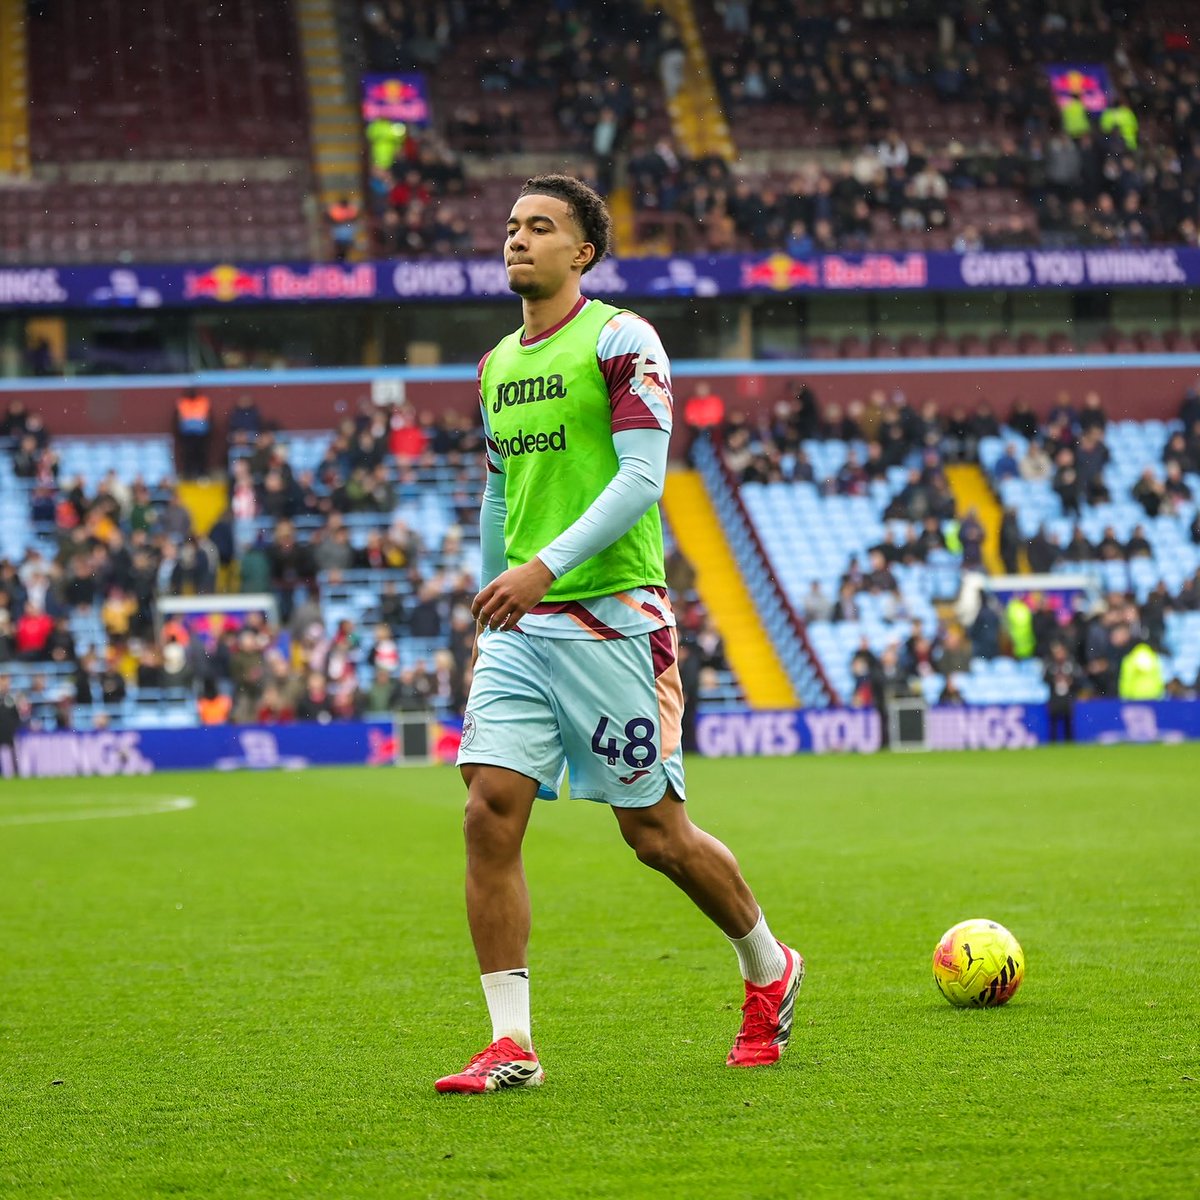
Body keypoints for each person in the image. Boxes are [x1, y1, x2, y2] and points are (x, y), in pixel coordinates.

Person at [438, 175, 801, 1095]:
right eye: (512, 225)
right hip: (526, 627)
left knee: (654, 833)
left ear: (583, 252)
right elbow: (496, 494)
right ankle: (510, 1042)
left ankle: (768, 965)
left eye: (541, 227)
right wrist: (498, 599)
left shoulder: (622, 340)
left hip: (614, 619)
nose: (518, 239)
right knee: (488, 810)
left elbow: (643, 479)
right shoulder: (493, 367)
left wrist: (542, 570)